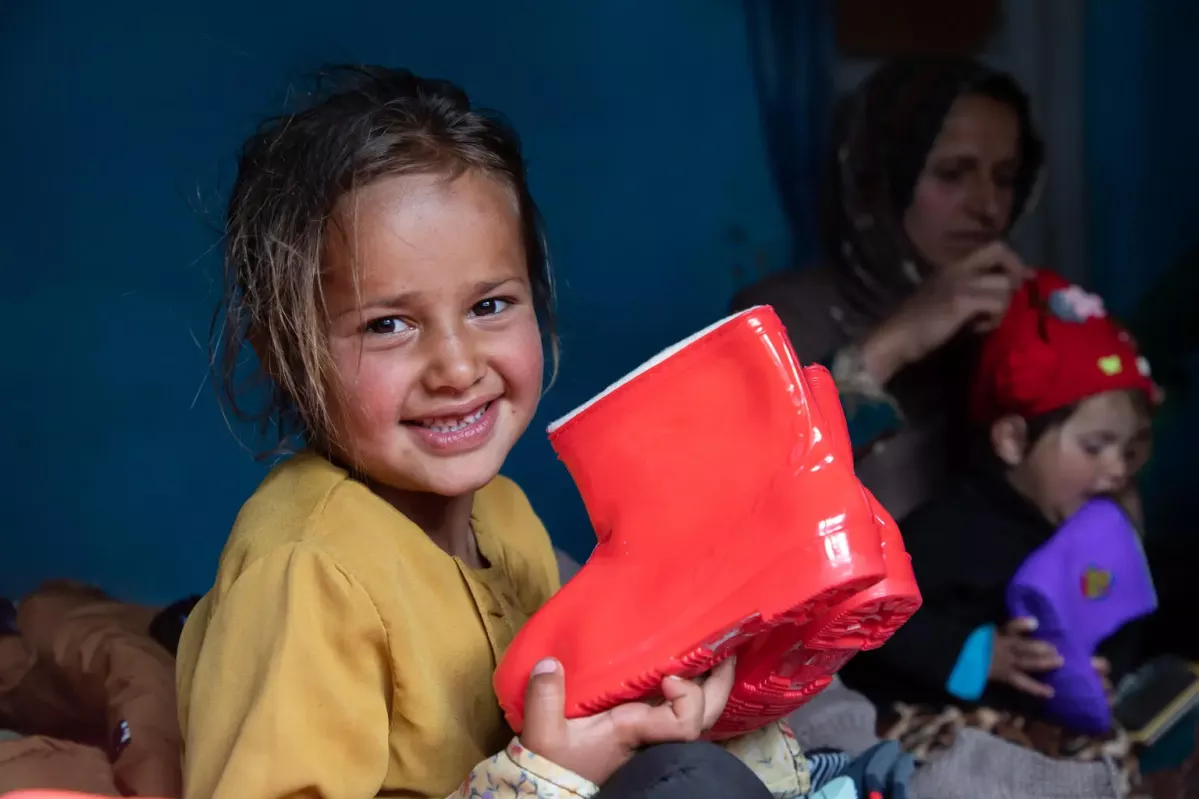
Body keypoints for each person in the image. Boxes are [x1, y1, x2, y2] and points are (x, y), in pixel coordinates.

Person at [175, 65, 892, 799]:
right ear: (285, 355)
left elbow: (581, 708)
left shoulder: (508, 518)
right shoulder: (305, 570)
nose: (456, 366)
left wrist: (644, 717)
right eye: (387, 324)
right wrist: (544, 779)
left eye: (489, 305)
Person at [839, 270, 1155, 789]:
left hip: (1054, 735)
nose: (1118, 469)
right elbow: (875, 620)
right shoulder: (953, 531)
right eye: (1095, 447)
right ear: (1012, 440)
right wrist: (979, 655)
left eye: (1130, 450)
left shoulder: (1098, 536)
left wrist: (1103, 674)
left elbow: (1121, 621)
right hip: (941, 729)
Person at [732, 57, 1044, 522]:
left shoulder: (1021, 319)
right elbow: (753, 500)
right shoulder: (775, 321)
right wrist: (897, 341)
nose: (989, 207)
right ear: (876, 179)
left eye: (1004, 179)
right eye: (953, 173)